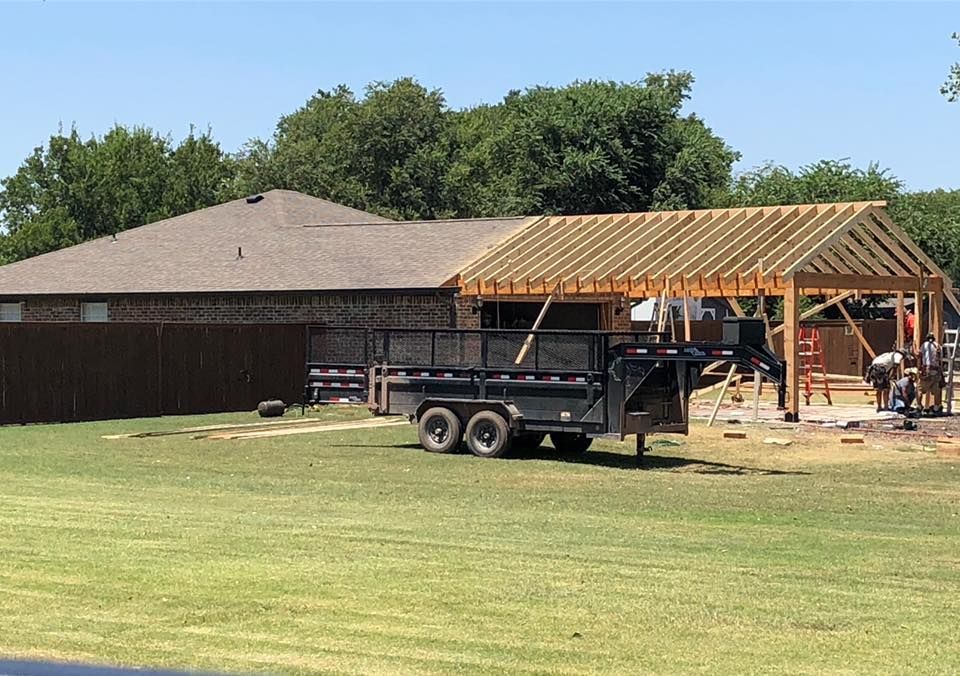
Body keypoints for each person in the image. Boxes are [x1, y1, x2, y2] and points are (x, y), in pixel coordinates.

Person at [919, 332, 944, 415]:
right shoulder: (938, 346)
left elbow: (920, 355)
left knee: (920, 389)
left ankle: (918, 406)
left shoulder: (924, 345)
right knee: (936, 390)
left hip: (926, 370)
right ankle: (936, 407)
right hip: (935, 371)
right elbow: (940, 359)